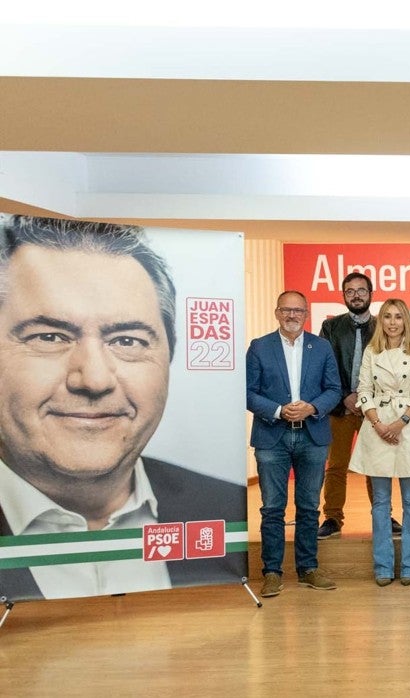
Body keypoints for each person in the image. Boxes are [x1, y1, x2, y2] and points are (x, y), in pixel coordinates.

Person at [0, 215, 246, 601]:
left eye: (127, 341)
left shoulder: (221, 509)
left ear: (169, 359)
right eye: (49, 336)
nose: (94, 379)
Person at [246, 290, 343, 597]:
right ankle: (272, 572)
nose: (292, 316)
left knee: (308, 507)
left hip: (312, 435)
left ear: (306, 315)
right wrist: (277, 410)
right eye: (286, 310)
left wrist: (312, 407)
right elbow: (247, 392)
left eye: (298, 311)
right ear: (277, 313)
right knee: (272, 508)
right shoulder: (260, 347)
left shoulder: (322, 346)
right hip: (272, 436)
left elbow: (334, 389)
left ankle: (308, 568)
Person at [348, 299, 410, 586]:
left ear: (405, 321)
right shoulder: (372, 352)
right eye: (387, 317)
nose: (393, 322)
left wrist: (399, 424)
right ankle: (382, 566)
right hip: (376, 426)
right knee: (380, 502)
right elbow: (363, 390)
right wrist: (378, 424)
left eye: (398, 316)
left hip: (407, 427)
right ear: (381, 321)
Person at [317, 272, 389, 540]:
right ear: (343, 295)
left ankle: (383, 514)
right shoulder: (331, 328)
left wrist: (368, 399)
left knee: (377, 465)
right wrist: (345, 396)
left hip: (375, 410)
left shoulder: (384, 325)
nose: (356, 295)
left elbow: (390, 367)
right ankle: (333, 518)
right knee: (336, 465)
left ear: (371, 293)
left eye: (361, 290)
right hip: (341, 407)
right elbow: (326, 366)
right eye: (350, 291)